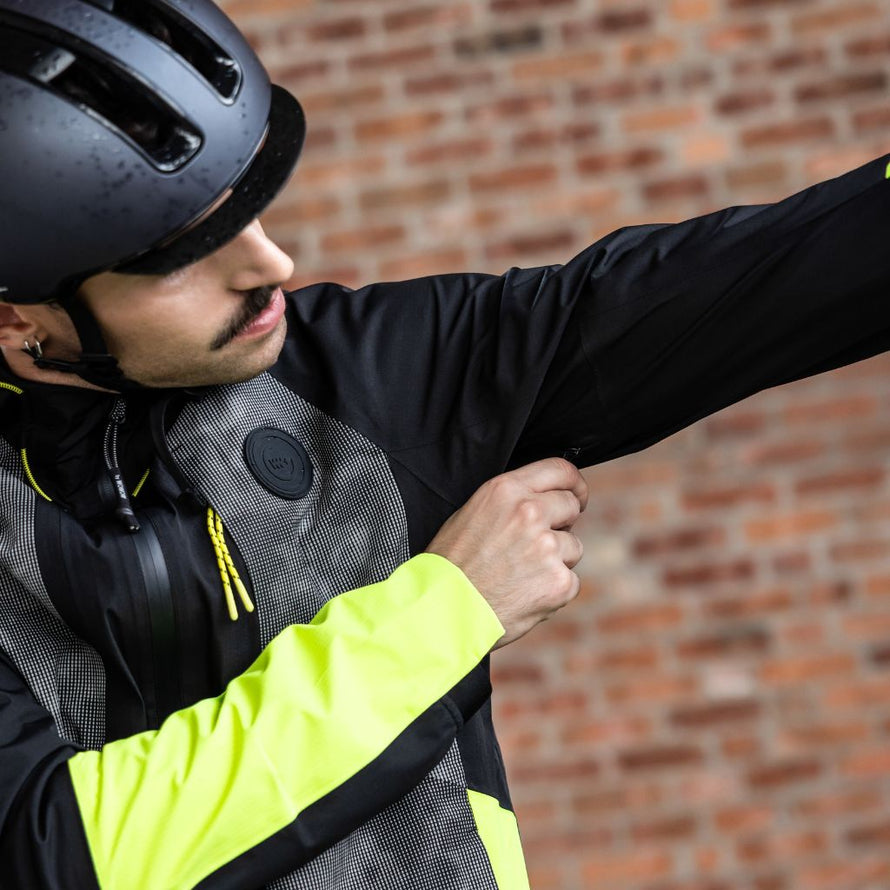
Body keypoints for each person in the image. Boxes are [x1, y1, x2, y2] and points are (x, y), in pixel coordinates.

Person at [1, 1, 889, 888]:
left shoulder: (361, 376)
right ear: (18, 318)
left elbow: (739, 287)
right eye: (182, 252)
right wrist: (448, 612)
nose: (269, 264)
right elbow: (61, 854)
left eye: (250, 206)